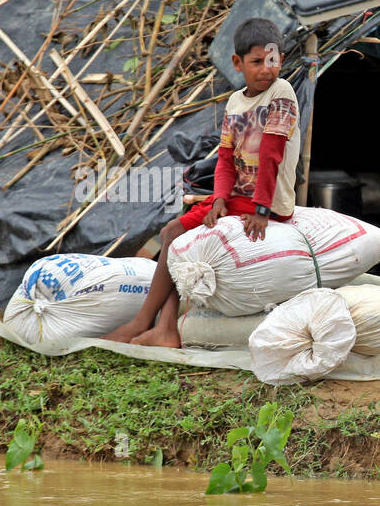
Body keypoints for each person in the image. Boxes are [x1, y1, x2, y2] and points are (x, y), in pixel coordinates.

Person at [104, 18, 301, 347]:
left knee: (176, 235)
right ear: (237, 63)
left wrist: (263, 210)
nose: (267, 69)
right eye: (257, 62)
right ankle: (163, 325)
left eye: (273, 60)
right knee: (170, 233)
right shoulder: (236, 102)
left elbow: (271, 155)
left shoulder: (282, 94)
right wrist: (220, 198)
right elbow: (225, 159)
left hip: (265, 204)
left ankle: (145, 323)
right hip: (238, 199)